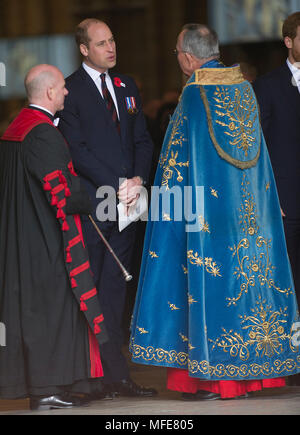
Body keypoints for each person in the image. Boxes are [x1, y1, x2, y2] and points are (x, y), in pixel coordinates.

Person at [129, 24, 300, 400]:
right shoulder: (244, 90)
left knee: (210, 287)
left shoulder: (193, 96)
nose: (177, 59)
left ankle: (211, 379)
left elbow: (175, 165)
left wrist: (165, 216)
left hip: (207, 219)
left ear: (189, 58)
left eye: (177, 53)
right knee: (247, 288)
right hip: (250, 217)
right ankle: (254, 376)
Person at [58, 19, 156, 399]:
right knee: (92, 289)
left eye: (112, 41)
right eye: (101, 43)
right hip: (95, 204)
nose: (111, 48)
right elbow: (76, 149)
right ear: (84, 49)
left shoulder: (126, 84)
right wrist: (115, 185)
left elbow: (142, 140)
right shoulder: (71, 89)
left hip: (130, 203)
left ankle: (117, 377)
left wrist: (137, 181)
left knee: (116, 291)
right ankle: (89, 380)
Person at [0, 64, 108, 410]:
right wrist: (86, 196)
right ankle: (46, 389)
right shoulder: (44, 134)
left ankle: (45, 386)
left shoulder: (14, 130)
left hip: (19, 238)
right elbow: (62, 192)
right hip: (46, 240)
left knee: (30, 314)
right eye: (62, 87)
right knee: (52, 313)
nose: (66, 92)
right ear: (48, 92)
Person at [253, 12, 300, 341]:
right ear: (288, 41)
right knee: (290, 282)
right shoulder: (267, 87)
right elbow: (256, 148)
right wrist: (268, 196)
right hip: (287, 204)